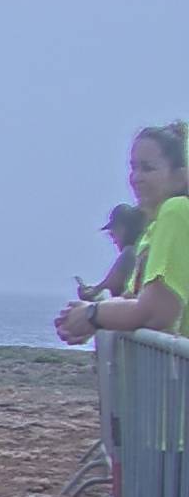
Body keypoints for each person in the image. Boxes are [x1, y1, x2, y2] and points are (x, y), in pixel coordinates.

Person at [59, 123, 189, 344]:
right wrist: (92, 317)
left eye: (148, 168)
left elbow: (156, 312)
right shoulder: (153, 230)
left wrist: (92, 315)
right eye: (133, 167)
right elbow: (132, 300)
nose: (136, 177)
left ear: (179, 177)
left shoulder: (177, 211)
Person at [80, 203, 149, 300]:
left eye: (112, 234)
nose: (114, 241)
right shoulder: (145, 251)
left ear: (122, 229)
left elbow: (105, 287)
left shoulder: (130, 253)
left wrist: (87, 292)